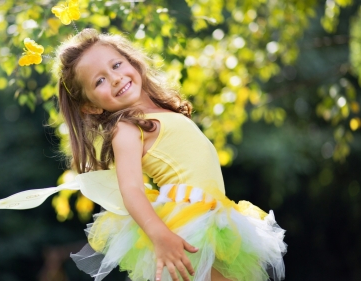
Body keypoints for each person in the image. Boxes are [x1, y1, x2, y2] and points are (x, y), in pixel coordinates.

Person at [52, 28, 286, 281]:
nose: (116, 78)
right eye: (100, 81)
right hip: (186, 224)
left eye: (117, 65)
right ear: (91, 106)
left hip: (213, 216)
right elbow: (131, 189)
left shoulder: (161, 113)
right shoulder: (127, 128)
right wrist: (160, 235)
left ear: (132, 61)